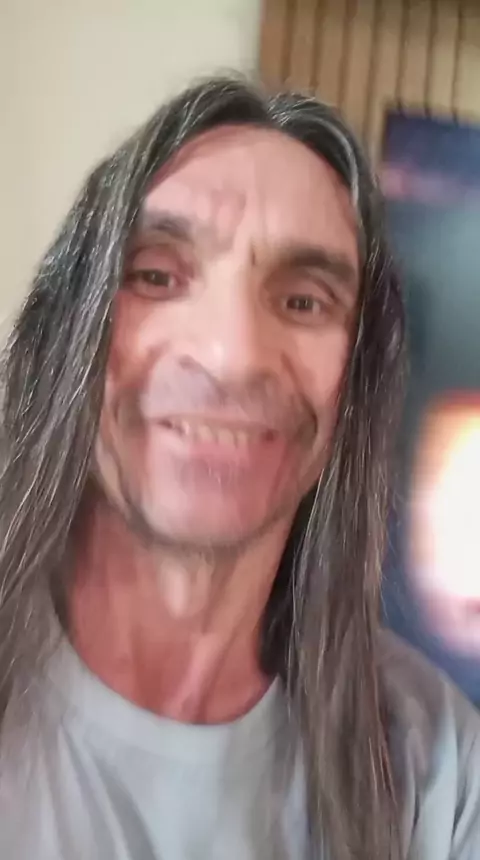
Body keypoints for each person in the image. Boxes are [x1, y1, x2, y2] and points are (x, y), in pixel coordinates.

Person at [0, 76, 478, 860]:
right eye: (156, 276)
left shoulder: (437, 769)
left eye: (304, 302)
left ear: (354, 387)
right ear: (66, 333)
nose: (232, 355)